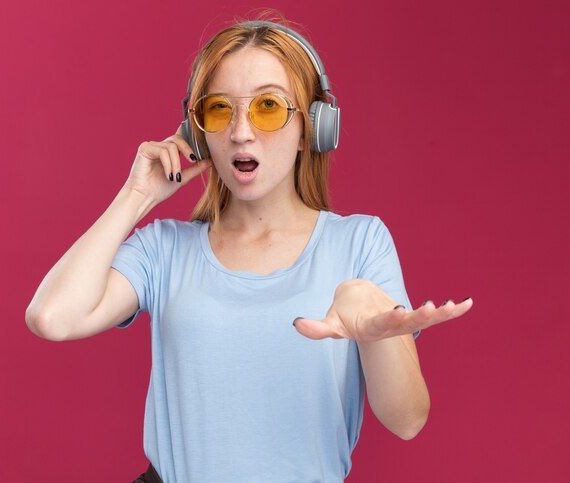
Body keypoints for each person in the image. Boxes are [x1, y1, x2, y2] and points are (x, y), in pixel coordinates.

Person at [26, 17, 473, 483]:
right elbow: (52, 318)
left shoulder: (360, 243)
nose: (240, 132)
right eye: (220, 110)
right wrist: (136, 197)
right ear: (198, 133)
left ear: (313, 128)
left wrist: (374, 331)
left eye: (267, 107)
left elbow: (407, 420)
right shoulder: (163, 250)